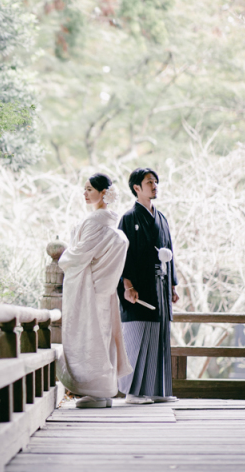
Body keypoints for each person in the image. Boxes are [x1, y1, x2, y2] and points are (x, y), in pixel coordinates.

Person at [58, 173, 133, 408]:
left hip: (89, 288)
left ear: (103, 193)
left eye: (90, 189)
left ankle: (96, 391)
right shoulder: (108, 221)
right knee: (102, 336)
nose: (85, 193)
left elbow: (78, 255)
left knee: (90, 337)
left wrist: (63, 257)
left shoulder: (95, 222)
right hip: (103, 288)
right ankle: (103, 390)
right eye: (85, 188)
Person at [117, 167, 179, 405]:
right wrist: (128, 285)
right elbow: (125, 255)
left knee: (159, 335)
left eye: (155, 182)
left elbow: (171, 251)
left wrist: (172, 285)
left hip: (160, 286)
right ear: (136, 188)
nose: (154, 186)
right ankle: (132, 392)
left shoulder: (161, 218)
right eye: (149, 182)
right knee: (138, 334)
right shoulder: (129, 218)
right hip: (139, 287)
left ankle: (155, 390)